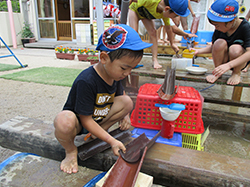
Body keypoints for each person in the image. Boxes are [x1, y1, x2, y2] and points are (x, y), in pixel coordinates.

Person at [53, 24, 152, 174]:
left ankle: (98, 132)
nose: (127, 73)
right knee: (63, 120)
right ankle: (71, 150)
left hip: (99, 118)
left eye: (132, 68)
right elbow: (85, 120)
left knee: (127, 102)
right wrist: (111, 140)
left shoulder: (115, 74)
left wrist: (125, 115)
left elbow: (121, 96)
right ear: (104, 58)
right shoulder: (86, 81)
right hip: (79, 123)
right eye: (124, 68)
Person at [191, 0, 250, 85]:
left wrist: (229, 65)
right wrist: (198, 51)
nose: (216, 28)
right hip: (224, 59)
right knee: (219, 42)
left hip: (238, 61)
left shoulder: (245, 27)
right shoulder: (221, 28)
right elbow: (214, 46)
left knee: (235, 48)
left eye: (217, 25)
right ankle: (217, 72)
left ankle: (236, 73)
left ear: (231, 22)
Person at [128, 0, 190, 69]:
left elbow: (168, 28)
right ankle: (131, 61)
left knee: (153, 33)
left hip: (145, 14)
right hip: (135, 10)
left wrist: (172, 44)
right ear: (167, 9)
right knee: (134, 34)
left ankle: (155, 61)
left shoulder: (165, 12)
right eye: (175, 15)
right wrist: (123, 13)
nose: (175, 18)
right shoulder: (151, 1)